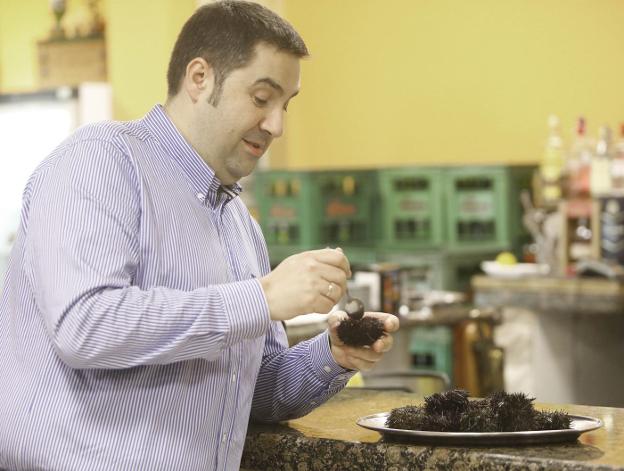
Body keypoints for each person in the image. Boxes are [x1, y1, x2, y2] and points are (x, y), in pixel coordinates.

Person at [0, 2, 399, 470]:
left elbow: (252, 392)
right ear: (199, 78)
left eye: (285, 104)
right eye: (261, 98)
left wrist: (333, 355)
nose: (277, 125)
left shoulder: (239, 224)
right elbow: (85, 326)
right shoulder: (101, 161)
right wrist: (262, 296)